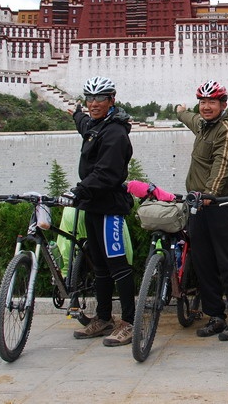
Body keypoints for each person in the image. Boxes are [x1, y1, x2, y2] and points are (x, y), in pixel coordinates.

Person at [60, 76, 136, 347]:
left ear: (111, 100)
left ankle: (128, 322)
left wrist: (79, 190)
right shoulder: (95, 124)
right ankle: (103, 318)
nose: (94, 104)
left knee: (118, 266)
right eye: (89, 99)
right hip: (91, 206)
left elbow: (107, 173)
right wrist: (76, 115)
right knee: (100, 266)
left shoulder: (115, 133)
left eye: (100, 99)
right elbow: (85, 127)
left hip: (109, 208)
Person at [176, 80, 228, 341]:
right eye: (203, 102)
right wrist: (179, 110)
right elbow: (191, 119)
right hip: (198, 206)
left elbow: (224, 164)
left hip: (221, 205)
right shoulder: (204, 125)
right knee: (203, 262)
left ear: (223, 105)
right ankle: (215, 316)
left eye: (212, 102)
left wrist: (210, 193)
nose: (206, 107)